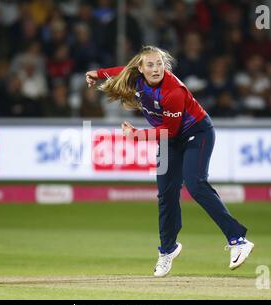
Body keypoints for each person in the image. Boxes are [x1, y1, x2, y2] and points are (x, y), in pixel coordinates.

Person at [85, 45, 254, 277]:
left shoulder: (172, 91)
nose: (156, 69)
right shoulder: (135, 75)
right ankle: (167, 250)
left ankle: (238, 239)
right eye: (150, 65)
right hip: (169, 139)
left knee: (195, 184)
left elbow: (171, 132)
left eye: (160, 64)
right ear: (140, 68)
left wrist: (137, 136)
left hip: (197, 133)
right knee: (166, 193)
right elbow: (121, 70)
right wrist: (98, 72)